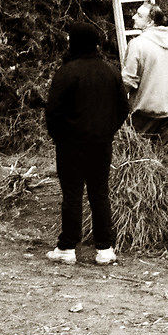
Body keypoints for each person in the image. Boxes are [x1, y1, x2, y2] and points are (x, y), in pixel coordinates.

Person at [43, 24, 129, 266]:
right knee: (99, 193)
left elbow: (53, 111)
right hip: (101, 143)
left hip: (70, 144)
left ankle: (68, 247)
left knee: (72, 195)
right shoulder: (110, 71)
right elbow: (123, 107)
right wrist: (108, 129)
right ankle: (105, 248)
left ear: (75, 42)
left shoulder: (67, 72)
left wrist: (58, 135)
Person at [121, 2, 168, 162]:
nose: (133, 17)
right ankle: (162, 188)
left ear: (151, 22)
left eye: (139, 15)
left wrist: (120, 103)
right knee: (162, 161)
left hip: (145, 112)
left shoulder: (137, 44)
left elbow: (128, 81)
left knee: (139, 161)